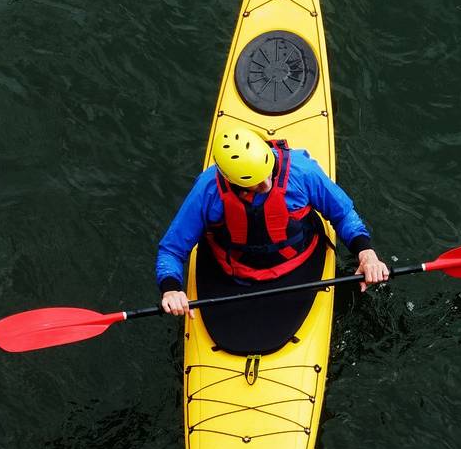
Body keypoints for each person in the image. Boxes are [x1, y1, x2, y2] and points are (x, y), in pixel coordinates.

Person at [155, 125, 388, 316]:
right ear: (232, 181)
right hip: (233, 277)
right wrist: (171, 290)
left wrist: (366, 254)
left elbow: (343, 214)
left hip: (299, 268)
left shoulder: (302, 171)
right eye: (255, 183)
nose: (267, 185)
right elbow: (171, 250)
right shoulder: (207, 190)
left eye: (267, 172)